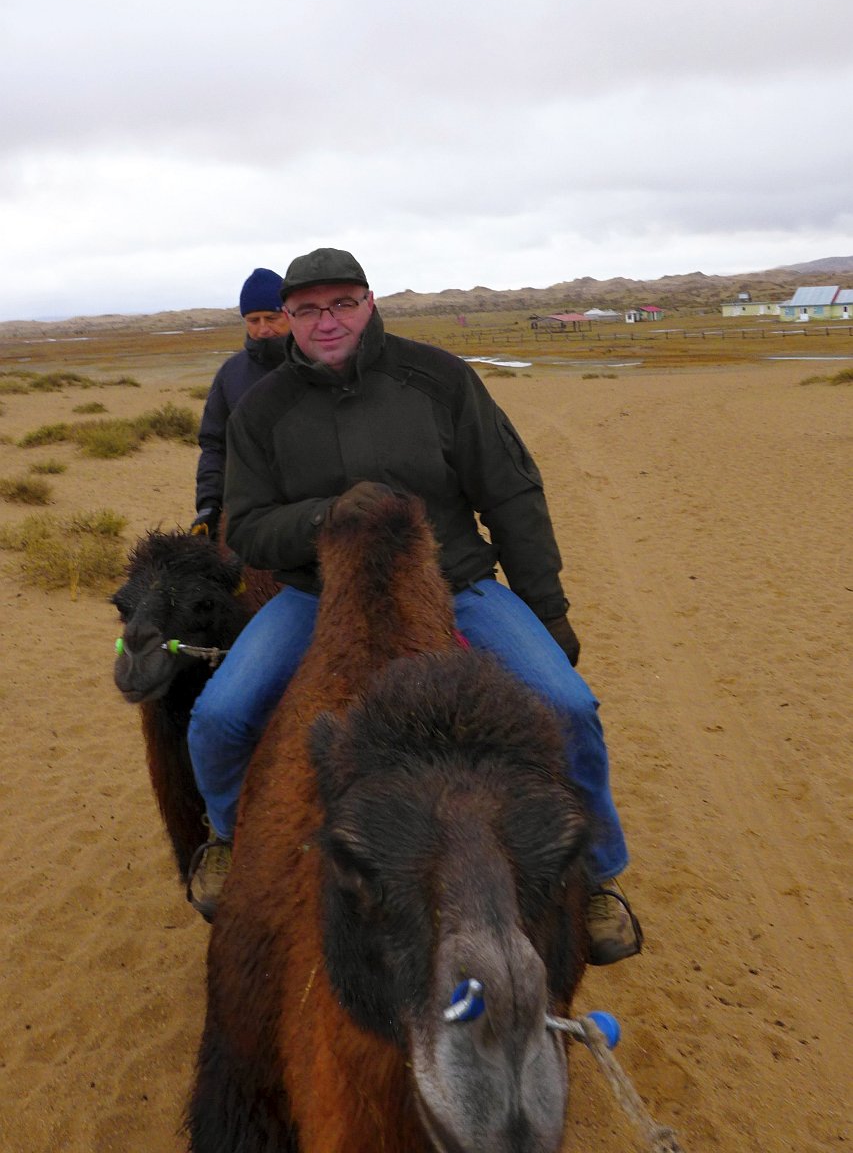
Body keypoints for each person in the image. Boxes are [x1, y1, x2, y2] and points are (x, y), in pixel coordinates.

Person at [186, 247, 643, 965]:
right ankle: (226, 838)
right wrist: (323, 516)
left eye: (342, 303)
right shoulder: (261, 411)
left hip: (455, 583)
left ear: (369, 302)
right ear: (288, 319)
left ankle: (599, 876)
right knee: (220, 715)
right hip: (317, 594)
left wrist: (546, 609)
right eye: (307, 309)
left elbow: (510, 494)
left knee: (568, 706)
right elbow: (245, 529)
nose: (326, 321)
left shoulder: (439, 379)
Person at [191, 268, 290, 538]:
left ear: (290, 313)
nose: (263, 329)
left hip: (311, 510)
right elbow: (214, 444)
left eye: (272, 318)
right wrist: (209, 504)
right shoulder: (231, 373)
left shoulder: (315, 365)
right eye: (253, 320)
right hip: (248, 510)